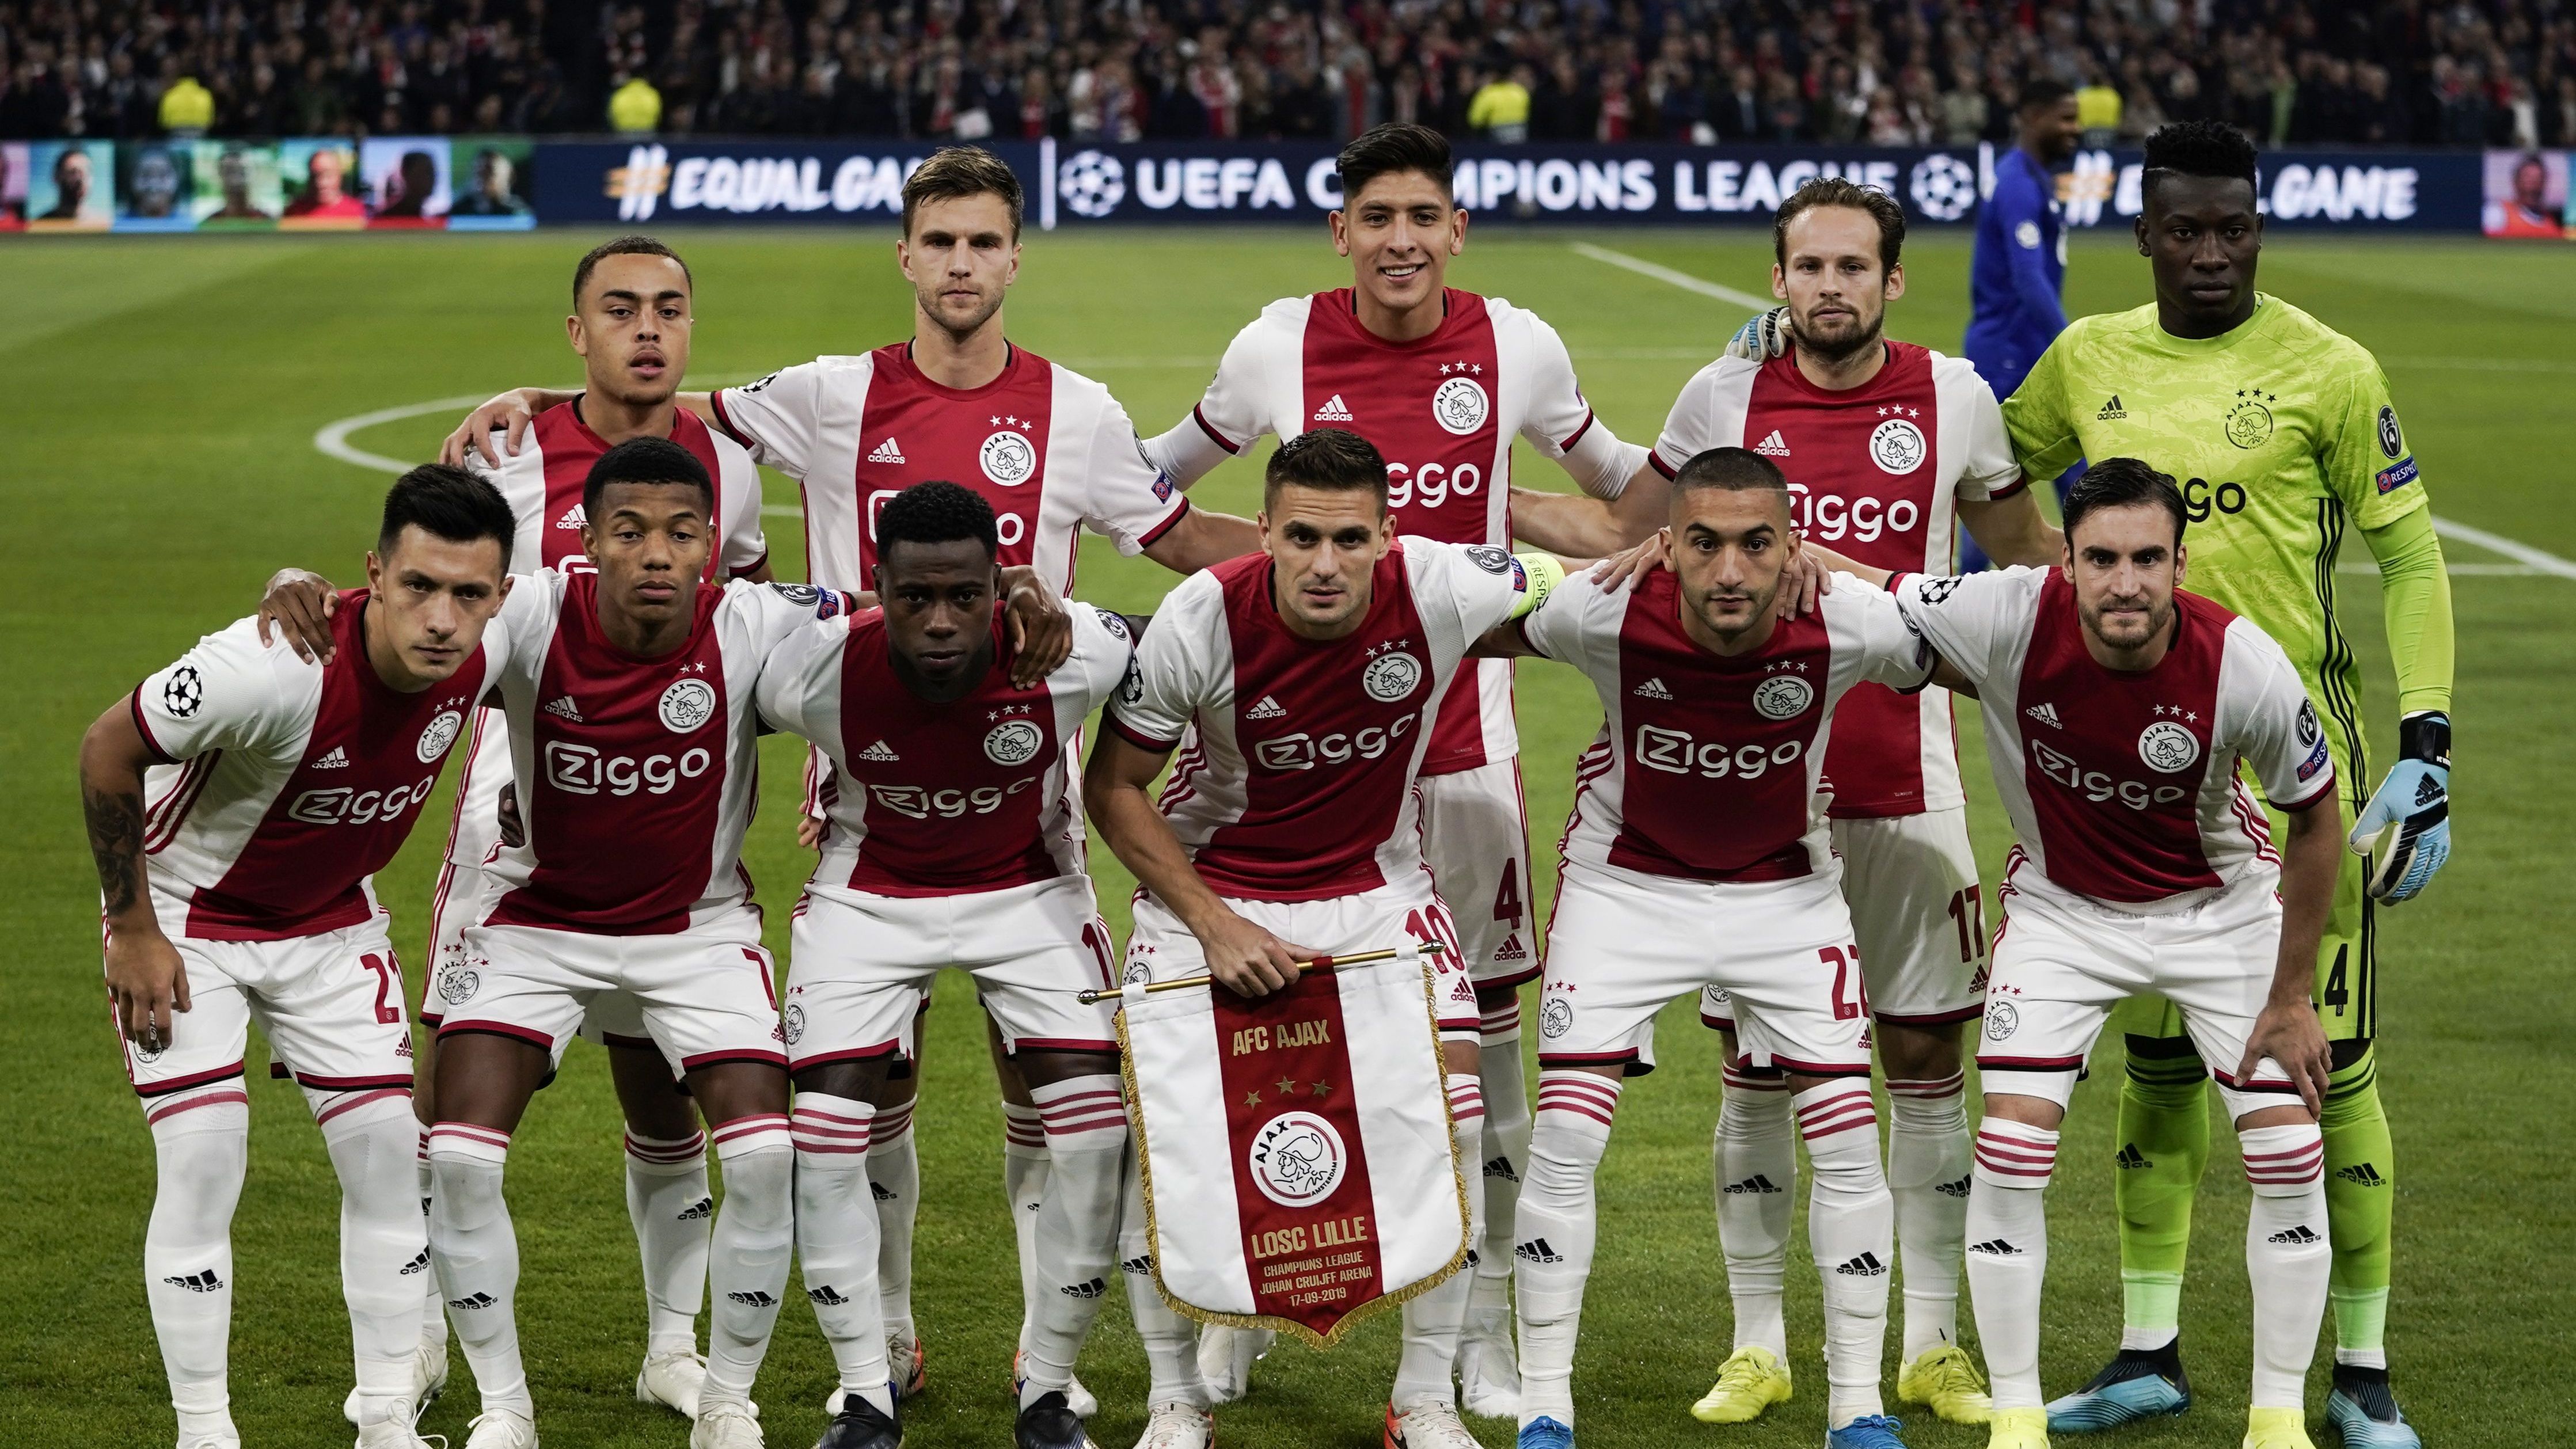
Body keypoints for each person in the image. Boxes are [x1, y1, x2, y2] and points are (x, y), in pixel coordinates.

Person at [438, 145, 1259, 1429]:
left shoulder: (1080, 411)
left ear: (1014, 256)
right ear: (905, 255)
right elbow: (661, 400)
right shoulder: (826, 396)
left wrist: (1335, 563)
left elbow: (1184, 541)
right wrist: (540, 396)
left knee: (1050, 1107)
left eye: (983, 242)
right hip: (861, 795)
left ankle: (1044, 1362)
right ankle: (883, 1345)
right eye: (940, 242)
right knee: (866, 1102)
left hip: (1024, 802)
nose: (961, 265)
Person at [1511, 173, 2061, 1429]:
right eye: (1807, 266)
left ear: (1890, 279)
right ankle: (1756, 1341)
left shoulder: (1953, 396)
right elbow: (1630, 531)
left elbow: (2019, 563)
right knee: (1756, 1069)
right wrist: (1475, 504)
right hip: (1752, 806)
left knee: (1922, 1061)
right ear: (1776, 279)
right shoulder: (1721, 393)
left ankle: (1929, 1343)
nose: (1828, 286)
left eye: (1850, 266)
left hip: (1904, 783)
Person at [1140, 123, 1650, 1415]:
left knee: (1485, 1058)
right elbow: (1146, 488)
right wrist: (1261, 569)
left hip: (1463, 749)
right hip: (1292, 743)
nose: (1401, 240)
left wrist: (1529, 516)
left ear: (1456, 230)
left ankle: (1476, 1331)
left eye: (1424, 216)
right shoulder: (1275, 345)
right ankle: (1246, 1300)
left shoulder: (1518, 345)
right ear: (1341, 232)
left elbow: (1621, 504)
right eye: (1377, 217)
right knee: (1267, 1036)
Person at [267, 234, 778, 1428]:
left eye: (668, 310)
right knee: (452, 1092)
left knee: (659, 1088)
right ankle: (422, 1334)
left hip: (663, 803)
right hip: (514, 808)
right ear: (575, 331)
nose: (646, 330)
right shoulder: (504, 452)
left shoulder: (729, 464)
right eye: (619, 310)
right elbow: (422, 598)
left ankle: (672, 1347)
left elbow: (734, 613)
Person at [1999, 120, 2450, 1449]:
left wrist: (2425, 741)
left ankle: (2359, 1373)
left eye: (2233, 229)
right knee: (2155, 1067)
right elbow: (1987, 467)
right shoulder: (2088, 358)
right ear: (2144, 235)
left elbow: (2410, 557)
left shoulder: (2331, 369)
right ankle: (2148, 1349)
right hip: (2134, 787)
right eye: (2186, 230)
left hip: (2300, 777)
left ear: (2258, 230)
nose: (2211, 252)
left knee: (2322, 1066)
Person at [1084, 427, 1569, 1449]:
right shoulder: (1200, 617)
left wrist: (1668, 560)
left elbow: (1580, 582)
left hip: (1375, 888)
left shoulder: (1442, 585)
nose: (1324, 563)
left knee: (1459, 1119)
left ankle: (1423, 1400)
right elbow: (1114, 787)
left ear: (1388, 536)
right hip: (1215, 890)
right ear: (1262, 530)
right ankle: (1174, 1400)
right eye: (1300, 536)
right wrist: (1214, 924)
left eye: (1349, 539)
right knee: (1156, 1142)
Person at [1880, 459, 2342, 1449]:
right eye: (2100, 559)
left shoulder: (2242, 663)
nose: (2123, 582)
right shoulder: (2008, 611)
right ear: (2067, 562)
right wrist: (1777, 553)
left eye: (2144, 559)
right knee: (2010, 1147)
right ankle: (2015, 1415)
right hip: (2064, 914)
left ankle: (2275, 1419)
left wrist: (2292, 993)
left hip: (2218, 914)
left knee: (2286, 1150)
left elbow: (2314, 817)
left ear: (2179, 562)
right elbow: (1870, 589)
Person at [1485, 445, 1935, 1449]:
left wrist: (1850, 573)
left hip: (1786, 896)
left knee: (1846, 1143)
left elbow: (1964, 649)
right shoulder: (1602, 610)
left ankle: (1855, 1407)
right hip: (1625, 888)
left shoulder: (1847, 620)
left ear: (1792, 547)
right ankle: (1545, 1407)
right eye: (1703, 544)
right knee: (1566, 1139)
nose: (1729, 570)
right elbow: (1467, 622)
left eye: (1755, 545)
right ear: (1666, 546)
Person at [424, 438, 858, 1449]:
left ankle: (721, 1396)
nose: (656, 553)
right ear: (586, 539)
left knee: (764, 1154)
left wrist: (1023, 607)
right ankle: (504, 1407)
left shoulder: (752, 620)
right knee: (459, 1153)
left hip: (693, 932)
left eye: (680, 534)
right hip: (539, 926)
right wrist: (301, 590)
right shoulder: (532, 613)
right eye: (629, 532)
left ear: (711, 544)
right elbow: (413, 632)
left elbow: (905, 619)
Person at [80, 465, 516, 1449]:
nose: (441, 619)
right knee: (203, 1162)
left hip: (330, 924)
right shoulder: (271, 667)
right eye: (418, 586)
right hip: (189, 920)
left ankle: (386, 1419)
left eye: (468, 594)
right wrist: (134, 928)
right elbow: (108, 747)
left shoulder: (497, 642)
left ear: (501, 596)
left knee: (389, 1161)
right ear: (375, 574)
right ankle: (205, 1432)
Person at [755, 481, 1142, 1449]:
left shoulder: (1070, 650)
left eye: (965, 596)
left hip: (1028, 893)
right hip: (870, 897)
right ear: (876, 587)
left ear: (997, 586)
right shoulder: (810, 668)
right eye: (914, 597)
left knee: (1096, 1136)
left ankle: (1046, 1391)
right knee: (824, 1138)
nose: (939, 622)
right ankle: (866, 1396)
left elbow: (1195, 645)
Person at [1958, 79, 2085, 572]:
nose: (2075, 129)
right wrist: (2072, 344)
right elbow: (2029, 278)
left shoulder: (2031, 178)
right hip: (2010, 355)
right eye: (2065, 118)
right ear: (2032, 117)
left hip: (2025, 350)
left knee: (2076, 477)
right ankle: (1960, 593)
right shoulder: (2017, 183)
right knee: (1996, 486)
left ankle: (2094, 575)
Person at [451, 148, 530, 218]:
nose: (481, 178)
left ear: (508, 177)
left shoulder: (518, 214)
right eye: (478, 171)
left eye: (489, 172)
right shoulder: (457, 210)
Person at [38, 144, 93, 220]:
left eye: (86, 172)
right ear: (56, 177)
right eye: (73, 172)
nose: (81, 180)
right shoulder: (41, 223)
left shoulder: (102, 223)